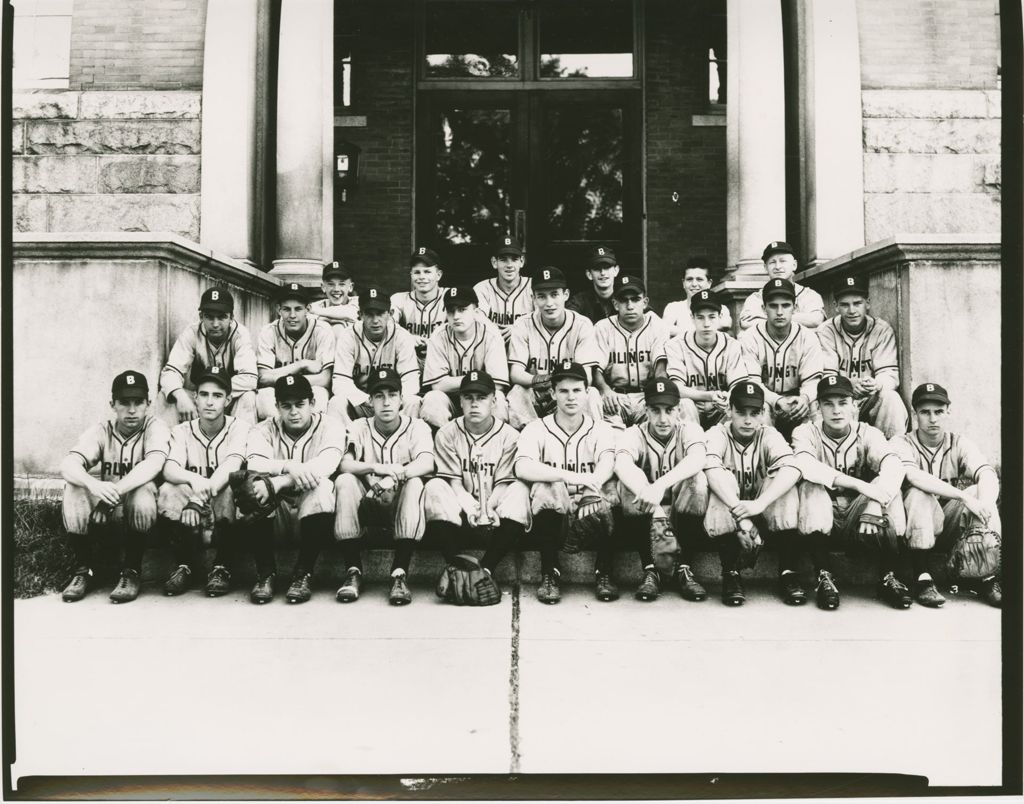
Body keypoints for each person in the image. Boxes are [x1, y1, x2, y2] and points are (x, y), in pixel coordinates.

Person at [793, 376, 911, 610]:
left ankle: (889, 576)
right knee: (810, 487)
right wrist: (861, 485)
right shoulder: (805, 432)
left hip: (863, 518)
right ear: (818, 407)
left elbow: (894, 465)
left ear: (855, 405)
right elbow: (806, 465)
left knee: (891, 491)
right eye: (828, 403)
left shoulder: (869, 433)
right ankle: (824, 576)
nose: (836, 410)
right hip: (825, 516)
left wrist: (876, 500)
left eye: (843, 402)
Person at [59, 371, 171, 604]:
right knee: (74, 487)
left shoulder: (155, 427)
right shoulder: (102, 430)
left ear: (148, 404)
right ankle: (84, 570)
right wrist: (92, 483)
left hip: (146, 520)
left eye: (138, 402)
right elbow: (68, 464)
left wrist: (110, 496)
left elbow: (154, 464)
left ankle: (132, 571)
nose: (131, 410)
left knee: (142, 489)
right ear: (113, 404)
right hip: (106, 518)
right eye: (124, 403)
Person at [514, 360, 620, 603]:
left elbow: (607, 462)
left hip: (591, 514)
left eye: (576, 390)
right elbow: (522, 466)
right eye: (563, 391)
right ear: (553, 393)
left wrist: (591, 487)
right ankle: (550, 572)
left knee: (612, 491)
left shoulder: (601, 429)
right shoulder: (536, 428)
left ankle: (604, 572)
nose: (571, 397)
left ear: (586, 393)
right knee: (545, 487)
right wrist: (568, 476)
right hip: (554, 519)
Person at [892, 383, 1002, 608]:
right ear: (915, 414)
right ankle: (922, 578)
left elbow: (987, 472)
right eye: (925, 412)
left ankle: (987, 577)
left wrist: (985, 508)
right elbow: (915, 477)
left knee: (978, 492)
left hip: (949, 524)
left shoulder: (959, 442)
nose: (933, 419)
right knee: (918, 494)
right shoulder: (901, 443)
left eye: (939, 411)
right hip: (913, 529)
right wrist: (964, 498)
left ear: (948, 411)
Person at [424, 370, 530, 600]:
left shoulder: (510, 436)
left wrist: (487, 508)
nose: (474, 404)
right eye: (469, 397)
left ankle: (486, 569)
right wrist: (472, 508)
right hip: (460, 513)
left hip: (497, 515)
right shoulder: (446, 433)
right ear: (460, 401)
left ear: (494, 401)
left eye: (481, 397)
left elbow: (504, 485)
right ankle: (455, 566)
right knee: (433, 488)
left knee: (521, 490)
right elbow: (453, 482)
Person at [243, 374, 347, 604]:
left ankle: (303, 573)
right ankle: (265, 573)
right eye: (286, 406)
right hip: (277, 516)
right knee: (253, 486)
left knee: (322, 488)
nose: (294, 412)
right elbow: (254, 463)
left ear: (312, 403)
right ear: (277, 406)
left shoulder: (331, 426)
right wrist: (290, 466)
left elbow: (327, 464)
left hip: (313, 518)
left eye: (300, 404)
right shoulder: (263, 429)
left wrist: (280, 480)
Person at [700, 382, 806, 606]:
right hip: (733, 516)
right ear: (729, 411)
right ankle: (730, 573)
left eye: (754, 413)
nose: (748, 420)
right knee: (721, 484)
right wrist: (743, 517)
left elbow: (794, 468)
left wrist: (760, 503)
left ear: (763, 414)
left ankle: (788, 572)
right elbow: (709, 469)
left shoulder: (769, 434)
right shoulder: (717, 434)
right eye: (741, 412)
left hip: (762, 512)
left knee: (785, 486)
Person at [335, 369, 435, 605]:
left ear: (402, 399)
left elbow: (426, 462)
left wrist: (393, 478)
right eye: (379, 395)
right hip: (367, 503)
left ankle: (399, 573)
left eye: (392, 394)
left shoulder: (417, 426)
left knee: (415, 482)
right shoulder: (359, 426)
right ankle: (353, 571)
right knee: (345, 481)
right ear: (369, 400)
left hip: (401, 504)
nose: (386, 402)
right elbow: (344, 464)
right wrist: (378, 469)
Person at [156, 366, 250, 597]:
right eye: (204, 394)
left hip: (220, 509)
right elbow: (169, 469)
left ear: (228, 400)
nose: (210, 402)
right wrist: (193, 480)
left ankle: (222, 567)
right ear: (195, 397)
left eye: (217, 396)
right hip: (193, 514)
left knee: (231, 486)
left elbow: (231, 465)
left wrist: (198, 498)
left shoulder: (240, 428)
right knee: (169, 489)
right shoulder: (181, 431)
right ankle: (184, 565)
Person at [614, 378, 710, 602]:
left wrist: (659, 486)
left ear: (679, 410)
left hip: (679, 506)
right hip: (649, 514)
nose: (663, 418)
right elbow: (621, 464)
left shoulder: (690, 429)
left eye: (669, 410)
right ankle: (650, 569)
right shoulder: (633, 433)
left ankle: (685, 567)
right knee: (627, 485)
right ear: (646, 410)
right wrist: (653, 502)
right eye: (656, 410)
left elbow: (697, 458)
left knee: (698, 480)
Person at [506, 266, 602, 429]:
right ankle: (527, 441)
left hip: (567, 391)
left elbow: (586, 377)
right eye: (542, 296)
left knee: (591, 394)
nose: (549, 303)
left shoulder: (582, 324)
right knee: (517, 393)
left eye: (554, 295)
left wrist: (558, 386)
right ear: (533, 299)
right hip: (536, 392)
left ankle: (588, 442)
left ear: (566, 294)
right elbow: (515, 373)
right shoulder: (522, 324)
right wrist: (538, 380)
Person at [817, 275, 908, 438]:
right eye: (845, 305)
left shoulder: (881, 330)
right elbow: (826, 377)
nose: (852, 310)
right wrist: (849, 386)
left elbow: (890, 374)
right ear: (835, 306)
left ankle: (894, 452)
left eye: (857, 303)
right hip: (839, 400)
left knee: (891, 398)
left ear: (868, 303)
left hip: (870, 399)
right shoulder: (826, 331)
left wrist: (876, 384)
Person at [738, 278, 824, 441]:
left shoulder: (808, 337)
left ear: (794, 308)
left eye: (785, 305)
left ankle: (815, 456)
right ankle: (764, 460)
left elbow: (813, 382)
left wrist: (804, 399)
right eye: (773, 306)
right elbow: (751, 384)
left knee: (816, 405)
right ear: (764, 309)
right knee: (757, 406)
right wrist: (776, 400)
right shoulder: (749, 338)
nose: (779, 312)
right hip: (765, 399)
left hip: (797, 400)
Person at [159, 287, 258, 424]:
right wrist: (180, 395)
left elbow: (250, 378)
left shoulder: (240, 335)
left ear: (231, 317)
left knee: (248, 396)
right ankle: (164, 445)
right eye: (209, 317)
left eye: (222, 317)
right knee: (165, 397)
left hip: (227, 398)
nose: (215, 324)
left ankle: (240, 444)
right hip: (200, 399)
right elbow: (170, 372)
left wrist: (215, 393)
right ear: (201, 317)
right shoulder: (192, 333)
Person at [327, 284, 420, 424]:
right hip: (361, 403)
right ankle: (346, 443)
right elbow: (340, 382)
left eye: (380, 313)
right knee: (336, 402)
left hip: (392, 403)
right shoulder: (348, 336)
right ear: (360, 315)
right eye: (369, 314)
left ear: (390, 313)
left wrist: (391, 401)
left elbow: (411, 381)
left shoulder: (402, 336)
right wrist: (367, 400)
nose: (375, 320)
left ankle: (404, 440)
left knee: (412, 400)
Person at [420, 287, 510, 428]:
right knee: (432, 399)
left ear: (476, 312)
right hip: (451, 400)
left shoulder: (492, 335)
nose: (456, 316)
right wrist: (477, 379)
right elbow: (437, 385)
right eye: (451, 311)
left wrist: (454, 382)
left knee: (498, 399)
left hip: (481, 398)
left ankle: (491, 445)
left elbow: (497, 385)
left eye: (462, 310)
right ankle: (445, 442)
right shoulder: (438, 336)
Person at [591, 275, 670, 428]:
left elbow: (661, 370)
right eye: (623, 300)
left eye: (635, 299)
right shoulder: (602, 328)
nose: (630, 305)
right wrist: (605, 390)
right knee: (609, 434)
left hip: (646, 396)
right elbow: (595, 369)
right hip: (614, 397)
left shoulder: (658, 326)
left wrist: (656, 396)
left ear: (645, 302)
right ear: (615, 304)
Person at [664, 289, 751, 428]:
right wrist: (709, 396)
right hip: (691, 409)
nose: (706, 324)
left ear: (720, 316)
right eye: (700, 317)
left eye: (711, 317)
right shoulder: (675, 345)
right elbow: (676, 388)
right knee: (684, 404)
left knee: (738, 403)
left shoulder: (732, 345)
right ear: (691, 317)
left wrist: (729, 397)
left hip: (721, 410)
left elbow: (738, 385)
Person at [255, 283, 335, 420]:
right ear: (278, 310)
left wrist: (277, 375)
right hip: (280, 392)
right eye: (286, 309)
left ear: (308, 309)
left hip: (308, 391)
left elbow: (325, 379)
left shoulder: (322, 330)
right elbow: (263, 378)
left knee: (320, 394)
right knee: (264, 396)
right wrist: (300, 365)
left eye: (298, 309)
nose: (292, 315)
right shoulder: (268, 331)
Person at [738, 241, 825, 331]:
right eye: (772, 262)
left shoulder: (809, 295)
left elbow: (815, 320)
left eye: (783, 261)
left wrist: (770, 318)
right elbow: (746, 323)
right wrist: (794, 318)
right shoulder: (755, 298)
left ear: (794, 265)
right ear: (765, 267)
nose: (778, 266)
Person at [391, 246, 449, 368]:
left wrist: (435, 342)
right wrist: (407, 338)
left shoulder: (450, 297)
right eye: (417, 272)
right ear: (411, 275)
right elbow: (387, 325)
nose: (421, 276)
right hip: (409, 362)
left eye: (427, 271)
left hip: (443, 361)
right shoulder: (399, 299)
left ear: (438, 275)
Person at [473, 236, 533, 343]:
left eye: (514, 259)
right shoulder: (481, 289)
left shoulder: (533, 287)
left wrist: (518, 329)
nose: (509, 265)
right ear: (494, 262)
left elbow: (544, 321)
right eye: (503, 259)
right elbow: (475, 320)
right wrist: (492, 330)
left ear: (522, 261)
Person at [661, 257, 733, 338]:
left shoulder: (721, 308)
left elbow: (725, 324)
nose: (694, 284)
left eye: (699, 279)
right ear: (683, 283)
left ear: (709, 283)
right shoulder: (674, 308)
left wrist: (678, 331)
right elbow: (664, 330)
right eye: (689, 279)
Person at [566, 245, 620, 323]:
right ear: (589, 274)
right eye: (597, 268)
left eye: (607, 267)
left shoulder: (625, 299)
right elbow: (568, 322)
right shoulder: (579, 301)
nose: (603, 273)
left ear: (616, 270)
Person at [309, 260, 359, 335]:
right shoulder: (317, 305)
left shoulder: (358, 301)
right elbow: (305, 317)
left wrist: (319, 315)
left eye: (341, 284)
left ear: (350, 287)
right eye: (331, 284)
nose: (336, 289)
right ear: (323, 287)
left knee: (338, 328)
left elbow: (351, 313)